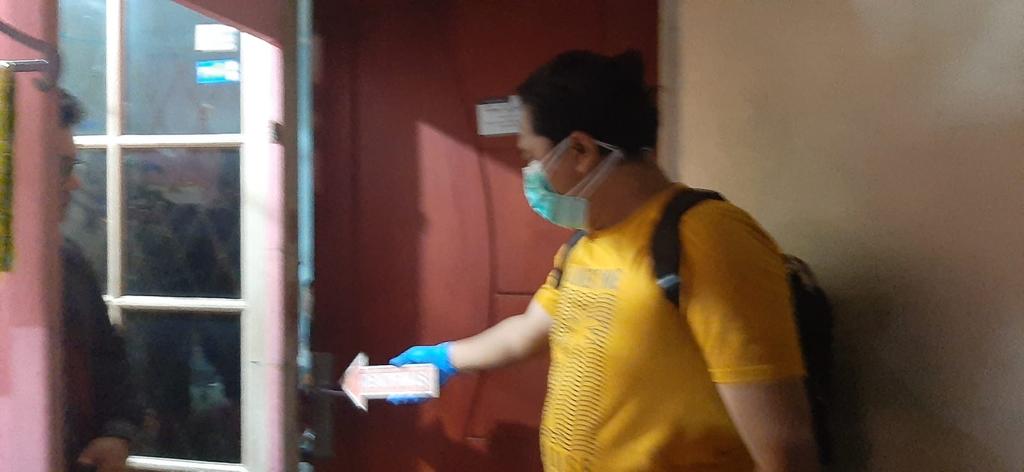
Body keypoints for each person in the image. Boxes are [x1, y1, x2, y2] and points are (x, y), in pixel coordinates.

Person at [389, 50, 820, 471]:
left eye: (532, 158)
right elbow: (530, 331)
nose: (530, 176)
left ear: (580, 150)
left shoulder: (709, 237)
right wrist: (444, 359)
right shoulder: (585, 244)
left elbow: (784, 451)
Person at [58, 89, 142, 472]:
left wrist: (116, 432)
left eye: (72, 166)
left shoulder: (65, 260)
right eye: (60, 168)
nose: (74, 185)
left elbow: (107, 358)